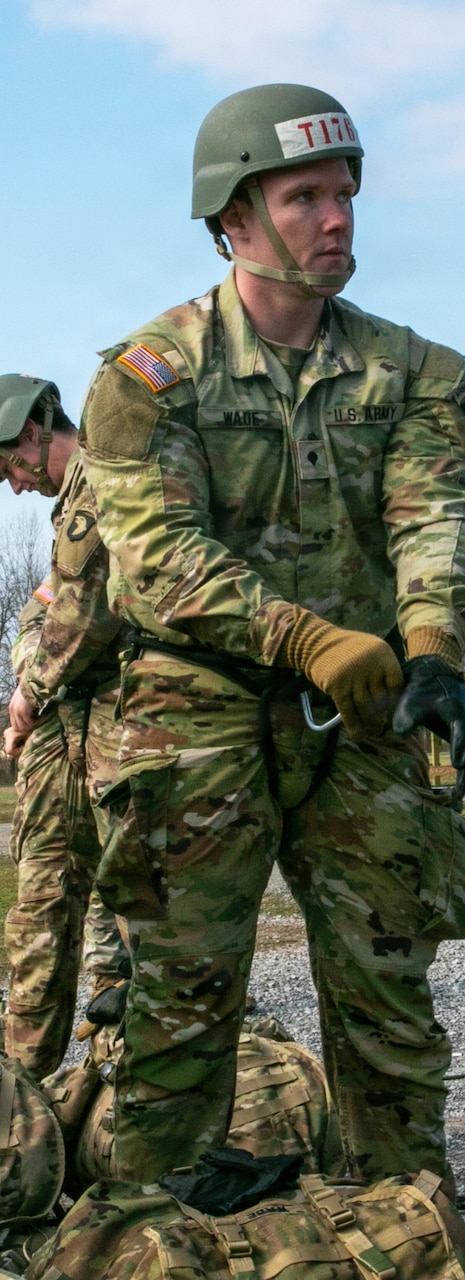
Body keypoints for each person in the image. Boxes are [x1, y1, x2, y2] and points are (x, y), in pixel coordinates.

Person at [79, 83, 465, 1187]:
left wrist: (429, 644)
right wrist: (303, 636)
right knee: (182, 997)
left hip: (365, 707)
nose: (337, 217)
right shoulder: (147, 376)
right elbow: (156, 553)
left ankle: (407, 1218)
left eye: (346, 193)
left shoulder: (417, 371)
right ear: (234, 216)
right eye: (304, 194)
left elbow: (436, 512)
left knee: (387, 988)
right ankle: (143, 1229)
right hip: (199, 708)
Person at [0, 374, 128, 1079]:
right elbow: (40, 609)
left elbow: (86, 612)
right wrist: (29, 675)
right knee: (43, 904)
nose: (15, 487)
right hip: (69, 730)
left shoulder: (109, 478)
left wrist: (32, 690)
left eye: (8, 469)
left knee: (149, 914)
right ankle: (26, 1112)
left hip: (134, 726)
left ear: (30, 433)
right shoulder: (69, 512)